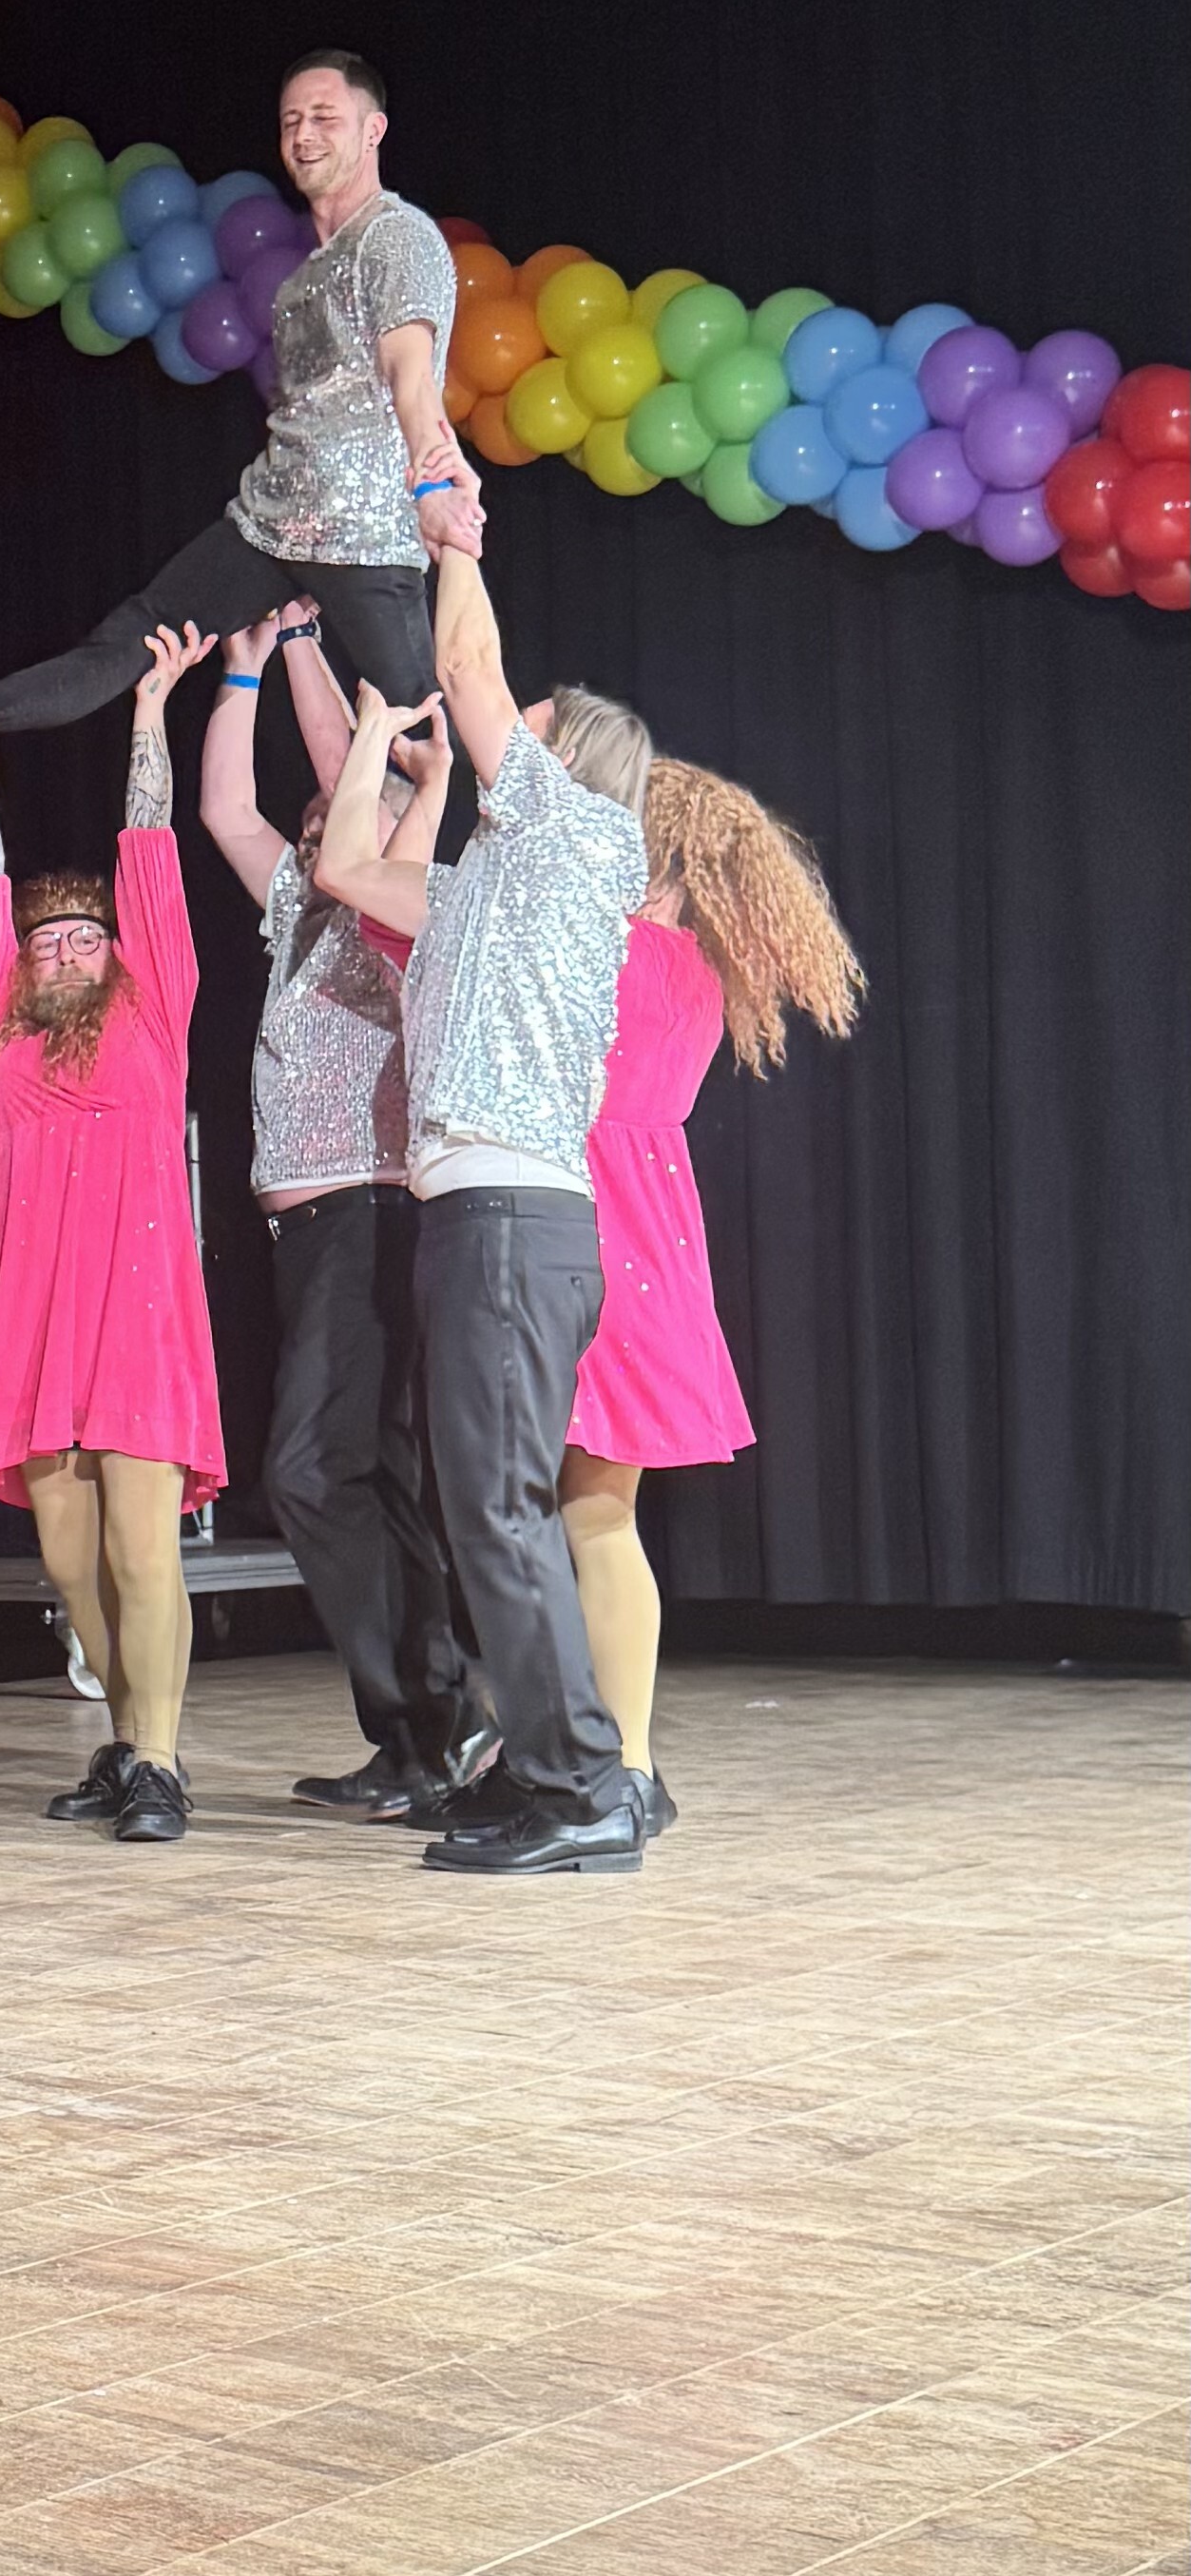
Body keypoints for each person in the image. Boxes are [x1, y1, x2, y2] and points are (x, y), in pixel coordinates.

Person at [0, 50, 478, 790]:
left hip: (365, 533)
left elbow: (407, 371)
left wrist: (430, 482)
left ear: (372, 129)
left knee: (426, 730)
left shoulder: (394, 236)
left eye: (324, 117)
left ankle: (506, 850)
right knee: (132, 637)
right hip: (270, 522)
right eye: (291, 121)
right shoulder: (301, 282)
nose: (303, 135)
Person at [315, 539, 651, 1876]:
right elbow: (347, 867)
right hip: (473, 1218)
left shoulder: (583, 835)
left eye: (527, 722)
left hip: (515, 1214)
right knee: (483, 1511)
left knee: (501, 1510)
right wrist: (388, 749)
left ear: (569, 759)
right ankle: (544, 1767)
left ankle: (585, 1789)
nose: (500, 724)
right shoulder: (477, 894)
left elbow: (466, 662)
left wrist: (453, 537)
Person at [198, 604, 491, 1826]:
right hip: (315, 1234)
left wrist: (327, 671)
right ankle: (425, 1733)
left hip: (366, 1217)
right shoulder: (297, 911)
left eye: (338, 812)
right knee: (371, 1476)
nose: (318, 821)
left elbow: (358, 781)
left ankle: (442, 1709)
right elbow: (226, 809)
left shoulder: (396, 900)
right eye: (316, 819)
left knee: (315, 1470)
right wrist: (252, 669)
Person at [0, 626, 225, 1841]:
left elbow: (148, 852)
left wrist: (150, 711)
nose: (60, 950)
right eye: (43, 941)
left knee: (145, 1551)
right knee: (68, 1561)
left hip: (137, 1318)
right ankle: (123, 1740)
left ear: (117, 953)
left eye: (83, 937)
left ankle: (160, 1762)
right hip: (34, 1322)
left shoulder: (154, 1015)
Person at [564, 759, 863, 1839]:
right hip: (648, 1230)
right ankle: (610, 1755)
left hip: (588, 1221)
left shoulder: (620, 952)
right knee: (592, 1509)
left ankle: (615, 1761)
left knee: (576, 1512)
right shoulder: (695, 969)